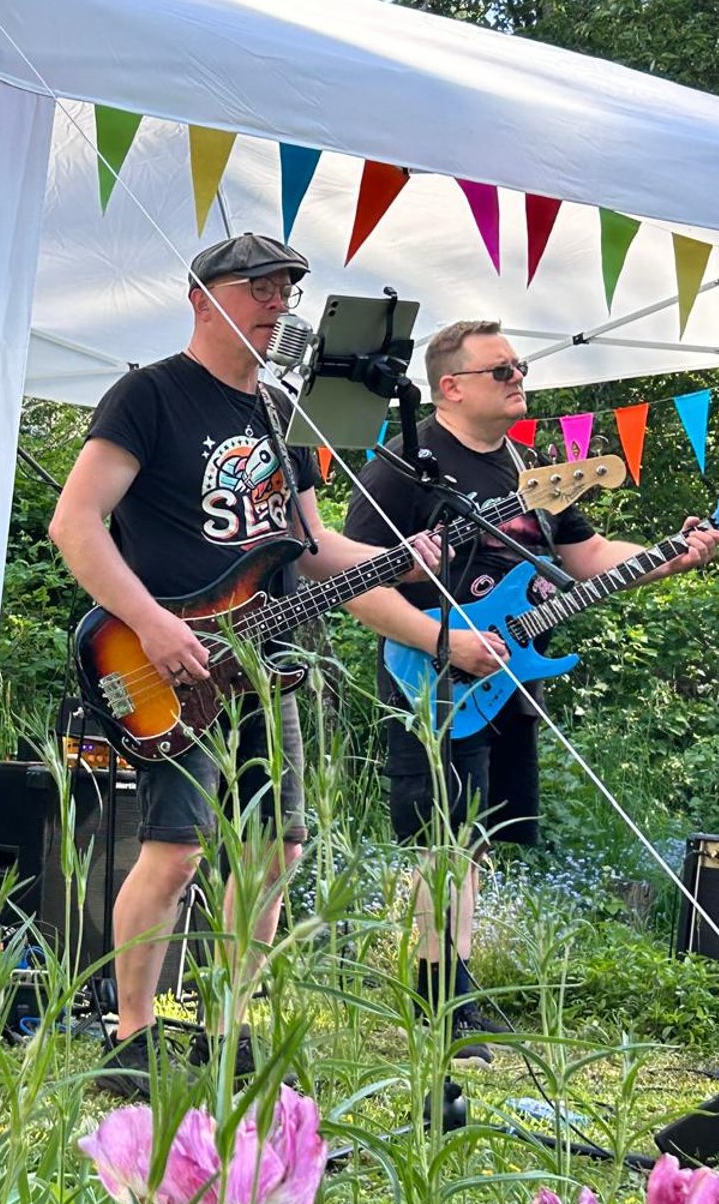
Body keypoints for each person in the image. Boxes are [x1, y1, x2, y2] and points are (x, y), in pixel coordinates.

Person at [49, 233, 434, 1097]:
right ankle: (132, 1035)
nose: (277, 301)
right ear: (201, 296)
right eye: (257, 286)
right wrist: (150, 623)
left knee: (275, 849)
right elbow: (75, 523)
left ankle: (225, 1024)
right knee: (175, 852)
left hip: (274, 660)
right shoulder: (149, 395)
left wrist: (403, 559)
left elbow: (313, 543)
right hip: (174, 661)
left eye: (286, 288)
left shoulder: (282, 411)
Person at [342, 319, 719, 1061]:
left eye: (519, 367)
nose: (519, 378)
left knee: (478, 840)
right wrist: (444, 641)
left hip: (509, 674)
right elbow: (354, 582)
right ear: (451, 387)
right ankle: (440, 1001)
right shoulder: (402, 467)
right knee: (445, 840)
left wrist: (671, 556)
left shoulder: (531, 467)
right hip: (432, 674)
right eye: (502, 370)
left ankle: (454, 983)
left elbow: (589, 555)